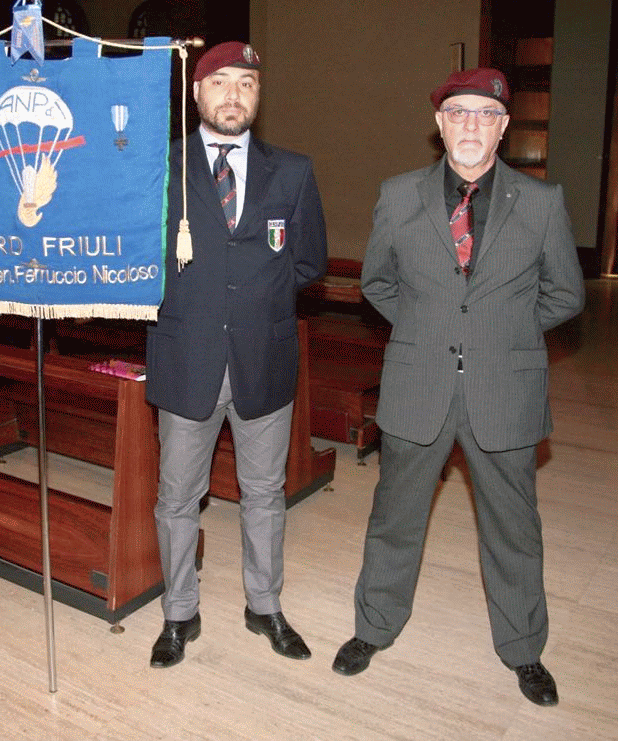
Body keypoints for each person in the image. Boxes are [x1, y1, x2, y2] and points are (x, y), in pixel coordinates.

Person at [332, 68, 584, 706]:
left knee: (513, 526)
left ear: (502, 128)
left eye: (485, 114)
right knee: (395, 516)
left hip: (505, 388)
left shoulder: (542, 202)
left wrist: (500, 334)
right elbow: (378, 285)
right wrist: (428, 328)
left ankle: (524, 649)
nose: (471, 124)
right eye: (459, 113)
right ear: (439, 124)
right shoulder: (399, 195)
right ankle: (375, 626)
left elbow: (565, 293)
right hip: (419, 383)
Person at [145, 41, 327, 668]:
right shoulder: (162, 167)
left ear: (259, 95)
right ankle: (178, 613)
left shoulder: (294, 172)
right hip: (188, 357)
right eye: (219, 81)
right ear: (196, 92)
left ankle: (265, 605)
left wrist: (255, 305)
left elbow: (308, 262)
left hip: (263, 358)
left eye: (246, 83)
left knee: (265, 494)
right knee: (176, 497)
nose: (232, 94)